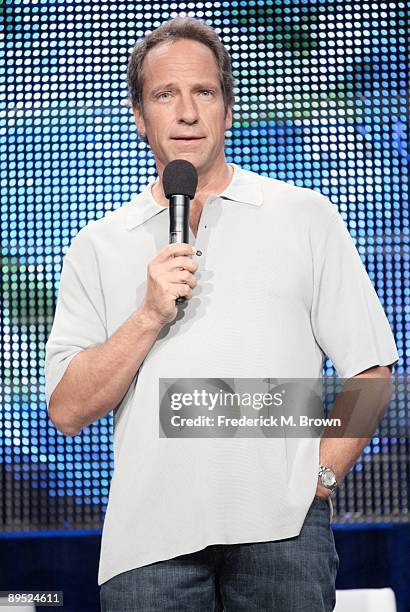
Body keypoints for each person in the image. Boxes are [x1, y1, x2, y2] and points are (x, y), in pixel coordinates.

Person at [44, 17, 400, 612]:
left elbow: (371, 371)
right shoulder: (99, 244)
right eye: (165, 95)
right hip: (148, 549)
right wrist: (148, 315)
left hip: (283, 540)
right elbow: (67, 408)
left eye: (203, 93)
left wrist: (320, 482)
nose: (186, 113)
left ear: (227, 109)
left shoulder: (303, 216)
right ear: (140, 116)